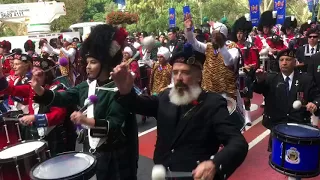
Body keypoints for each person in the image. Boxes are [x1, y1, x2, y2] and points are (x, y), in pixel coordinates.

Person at [111, 44, 248, 180]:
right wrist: (125, 91)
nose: (178, 78)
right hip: (162, 173)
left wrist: (215, 163)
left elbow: (238, 142)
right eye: (175, 72)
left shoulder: (213, 104)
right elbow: (138, 104)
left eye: (186, 72)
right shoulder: (165, 97)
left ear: (199, 77)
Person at [31, 24, 138, 180]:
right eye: (87, 62)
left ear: (105, 64)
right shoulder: (85, 86)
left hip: (115, 154)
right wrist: (39, 90)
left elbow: (114, 124)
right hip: (92, 150)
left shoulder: (120, 89)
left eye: (93, 62)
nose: (87, 67)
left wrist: (85, 120)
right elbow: (64, 97)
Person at [253, 48, 320, 156]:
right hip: (277, 126)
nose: (284, 62)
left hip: (299, 125)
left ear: (295, 62)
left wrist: (315, 104)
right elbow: (257, 89)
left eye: (288, 59)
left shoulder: (305, 79)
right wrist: (259, 80)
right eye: (281, 60)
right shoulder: (270, 78)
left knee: (297, 160)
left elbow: (317, 96)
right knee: (277, 159)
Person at [0, 56, 68, 155]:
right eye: (33, 73)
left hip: (53, 136)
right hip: (35, 135)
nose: (33, 77)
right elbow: (11, 90)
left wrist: (34, 118)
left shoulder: (57, 89)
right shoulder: (31, 88)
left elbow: (58, 115)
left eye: (38, 74)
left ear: (47, 75)